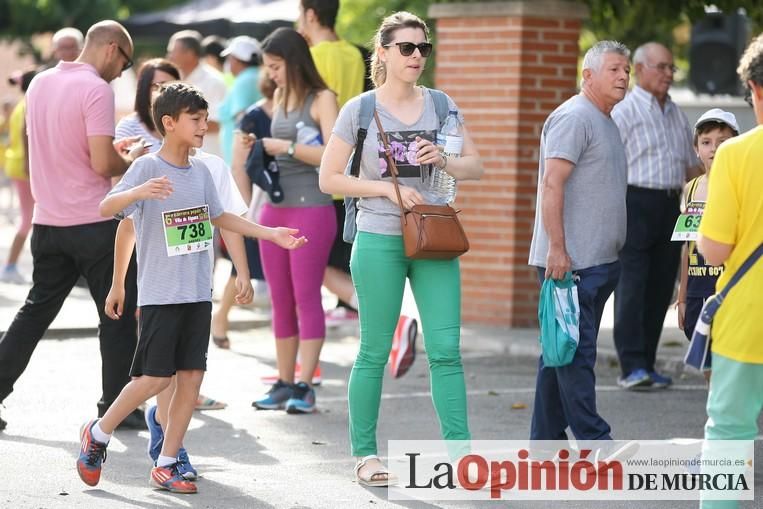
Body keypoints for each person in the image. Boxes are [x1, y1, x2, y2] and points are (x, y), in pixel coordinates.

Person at [76, 82, 306, 493]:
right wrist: (138, 191)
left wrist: (270, 234)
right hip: (161, 294)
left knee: (192, 378)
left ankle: (167, 461)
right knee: (154, 380)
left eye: (204, 119)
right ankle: (98, 432)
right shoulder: (147, 168)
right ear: (169, 123)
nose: (204, 126)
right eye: (195, 120)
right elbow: (107, 208)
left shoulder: (202, 171)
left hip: (198, 293)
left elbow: (222, 218)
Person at [320, 11, 483, 485]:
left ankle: (462, 456)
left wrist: (446, 160)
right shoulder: (361, 109)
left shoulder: (441, 104)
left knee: (447, 351)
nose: (416, 56)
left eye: (423, 48)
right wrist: (385, 190)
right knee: (373, 351)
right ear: (384, 53)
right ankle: (366, 455)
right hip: (378, 238)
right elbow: (329, 177)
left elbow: (475, 167)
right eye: (407, 48)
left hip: (433, 238)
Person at [0, 20, 147, 433]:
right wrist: (132, 159)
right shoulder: (96, 89)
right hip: (93, 222)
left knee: (34, 313)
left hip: (48, 222)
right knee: (117, 314)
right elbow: (102, 164)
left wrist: (107, 152)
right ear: (111, 48)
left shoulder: (40, 84)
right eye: (125, 62)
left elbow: (60, 147)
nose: (122, 72)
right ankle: (116, 408)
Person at [527, 41, 630, 442]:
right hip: (571, 265)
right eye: (614, 70)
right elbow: (552, 183)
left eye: (626, 71)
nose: (623, 77)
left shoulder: (606, 119)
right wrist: (557, 249)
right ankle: (594, 440)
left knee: (560, 350)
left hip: (599, 262)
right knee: (577, 353)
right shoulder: (574, 117)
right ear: (588, 76)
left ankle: (545, 439)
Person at [249, 27, 337, 414]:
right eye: (268, 68)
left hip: (312, 208)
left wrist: (285, 146)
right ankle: (284, 383)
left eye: (276, 66)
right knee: (280, 300)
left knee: (306, 297)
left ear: (294, 61)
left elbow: (337, 156)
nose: (271, 75)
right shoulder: (280, 97)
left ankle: (305, 384)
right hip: (275, 207)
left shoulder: (323, 99)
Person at [611, 42, 703, 391]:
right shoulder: (625, 110)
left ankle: (647, 363)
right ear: (640, 69)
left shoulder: (677, 114)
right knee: (632, 285)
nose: (668, 73)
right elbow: (610, 164)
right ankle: (631, 366)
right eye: (661, 67)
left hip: (670, 206)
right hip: (634, 201)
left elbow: (691, 168)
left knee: (662, 286)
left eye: (671, 68)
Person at [697, 34, 763, 509]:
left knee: (729, 433)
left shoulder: (737, 155)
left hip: (749, 321)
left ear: (756, 90)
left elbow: (715, 251)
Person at [298, 0, 365, 328]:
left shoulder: (311, 57)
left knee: (309, 266)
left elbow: (300, 114)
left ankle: (383, 316)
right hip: (349, 170)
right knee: (335, 262)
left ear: (310, 14)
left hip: (314, 174)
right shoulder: (353, 54)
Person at [214, 73, 276, 350]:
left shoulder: (300, 111)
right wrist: (247, 208)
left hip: (288, 203)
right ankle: (220, 318)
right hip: (256, 202)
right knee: (243, 265)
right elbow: (238, 167)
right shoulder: (253, 116)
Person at [676, 109, 738, 352]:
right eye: (706, 142)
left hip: (729, 287)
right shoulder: (689, 190)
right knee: (704, 358)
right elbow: (686, 246)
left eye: (723, 142)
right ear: (696, 149)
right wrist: (682, 297)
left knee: (727, 355)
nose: (714, 148)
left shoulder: (740, 186)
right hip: (697, 289)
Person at [166, 30, 227, 157]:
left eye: (173, 51)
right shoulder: (171, 79)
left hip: (206, 156)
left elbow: (217, 123)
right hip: (179, 158)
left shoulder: (214, 81)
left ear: (189, 54)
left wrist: (177, 126)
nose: (169, 56)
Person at [1, 70, 36, 284]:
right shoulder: (29, 104)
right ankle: (10, 266)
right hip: (25, 167)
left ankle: (11, 265)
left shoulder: (21, 103)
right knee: (28, 220)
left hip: (18, 165)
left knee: (29, 218)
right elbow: (26, 134)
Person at [116, 58, 180, 151]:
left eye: (173, 86)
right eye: (159, 86)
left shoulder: (186, 124)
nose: (168, 92)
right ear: (144, 89)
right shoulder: (129, 128)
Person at [218, 36, 262, 165]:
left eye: (229, 58)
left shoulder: (244, 81)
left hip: (241, 157)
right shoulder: (256, 75)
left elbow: (242, 120)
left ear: (237, 60)